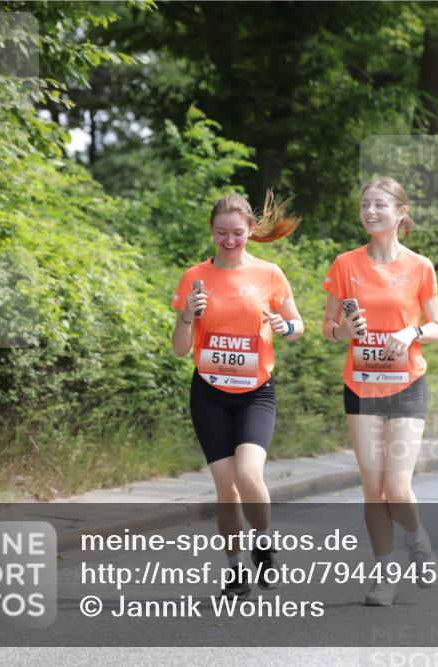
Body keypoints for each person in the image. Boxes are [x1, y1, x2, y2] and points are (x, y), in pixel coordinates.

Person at [171, 192, 303, 598]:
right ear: (212, 231)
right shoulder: (195, 276)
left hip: (255, 392)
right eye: (221, 232)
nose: (230, 240)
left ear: (250, 231)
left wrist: (286, 327)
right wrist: (186, 315)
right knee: (225, 490)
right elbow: (179, 348)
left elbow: (299, 324)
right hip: (209, 393)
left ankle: (263, 542)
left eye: (238, 233)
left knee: (248, 475)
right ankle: (234, 570)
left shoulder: (269, 273)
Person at [322, 177, 438, 606]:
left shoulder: (420, 266)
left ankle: (417, 540)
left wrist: (412, 331)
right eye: (365, 204)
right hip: (361, 386)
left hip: (407, 384)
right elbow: (328, 328)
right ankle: (384, 574)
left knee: (397, 487)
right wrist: (343, 329)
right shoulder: (345, 264)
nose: (370, 211)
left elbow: (436, 327)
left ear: (400, 214)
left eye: (380, 205)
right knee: (373, 490)